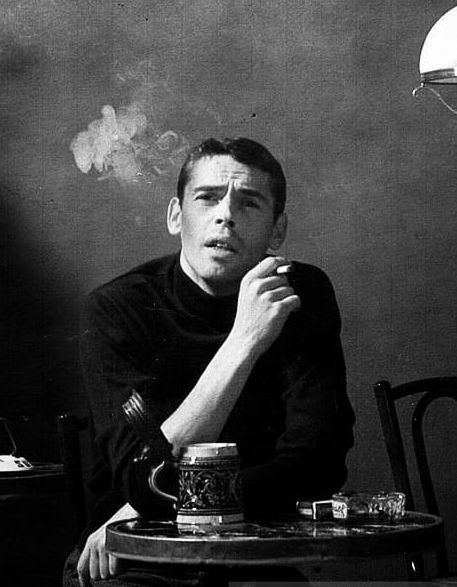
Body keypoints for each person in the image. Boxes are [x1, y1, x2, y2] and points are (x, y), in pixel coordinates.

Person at [63, 137, 355, 587]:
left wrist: (155, 501)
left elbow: (318, 465)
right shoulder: (116, 309)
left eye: (249, 202)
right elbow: (142, 478)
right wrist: (244, 341)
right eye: (207, 198)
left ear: (277, 231)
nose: (226, 215)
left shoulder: (299, 294)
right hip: (131, 559)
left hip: (250, 558)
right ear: (176, 216)